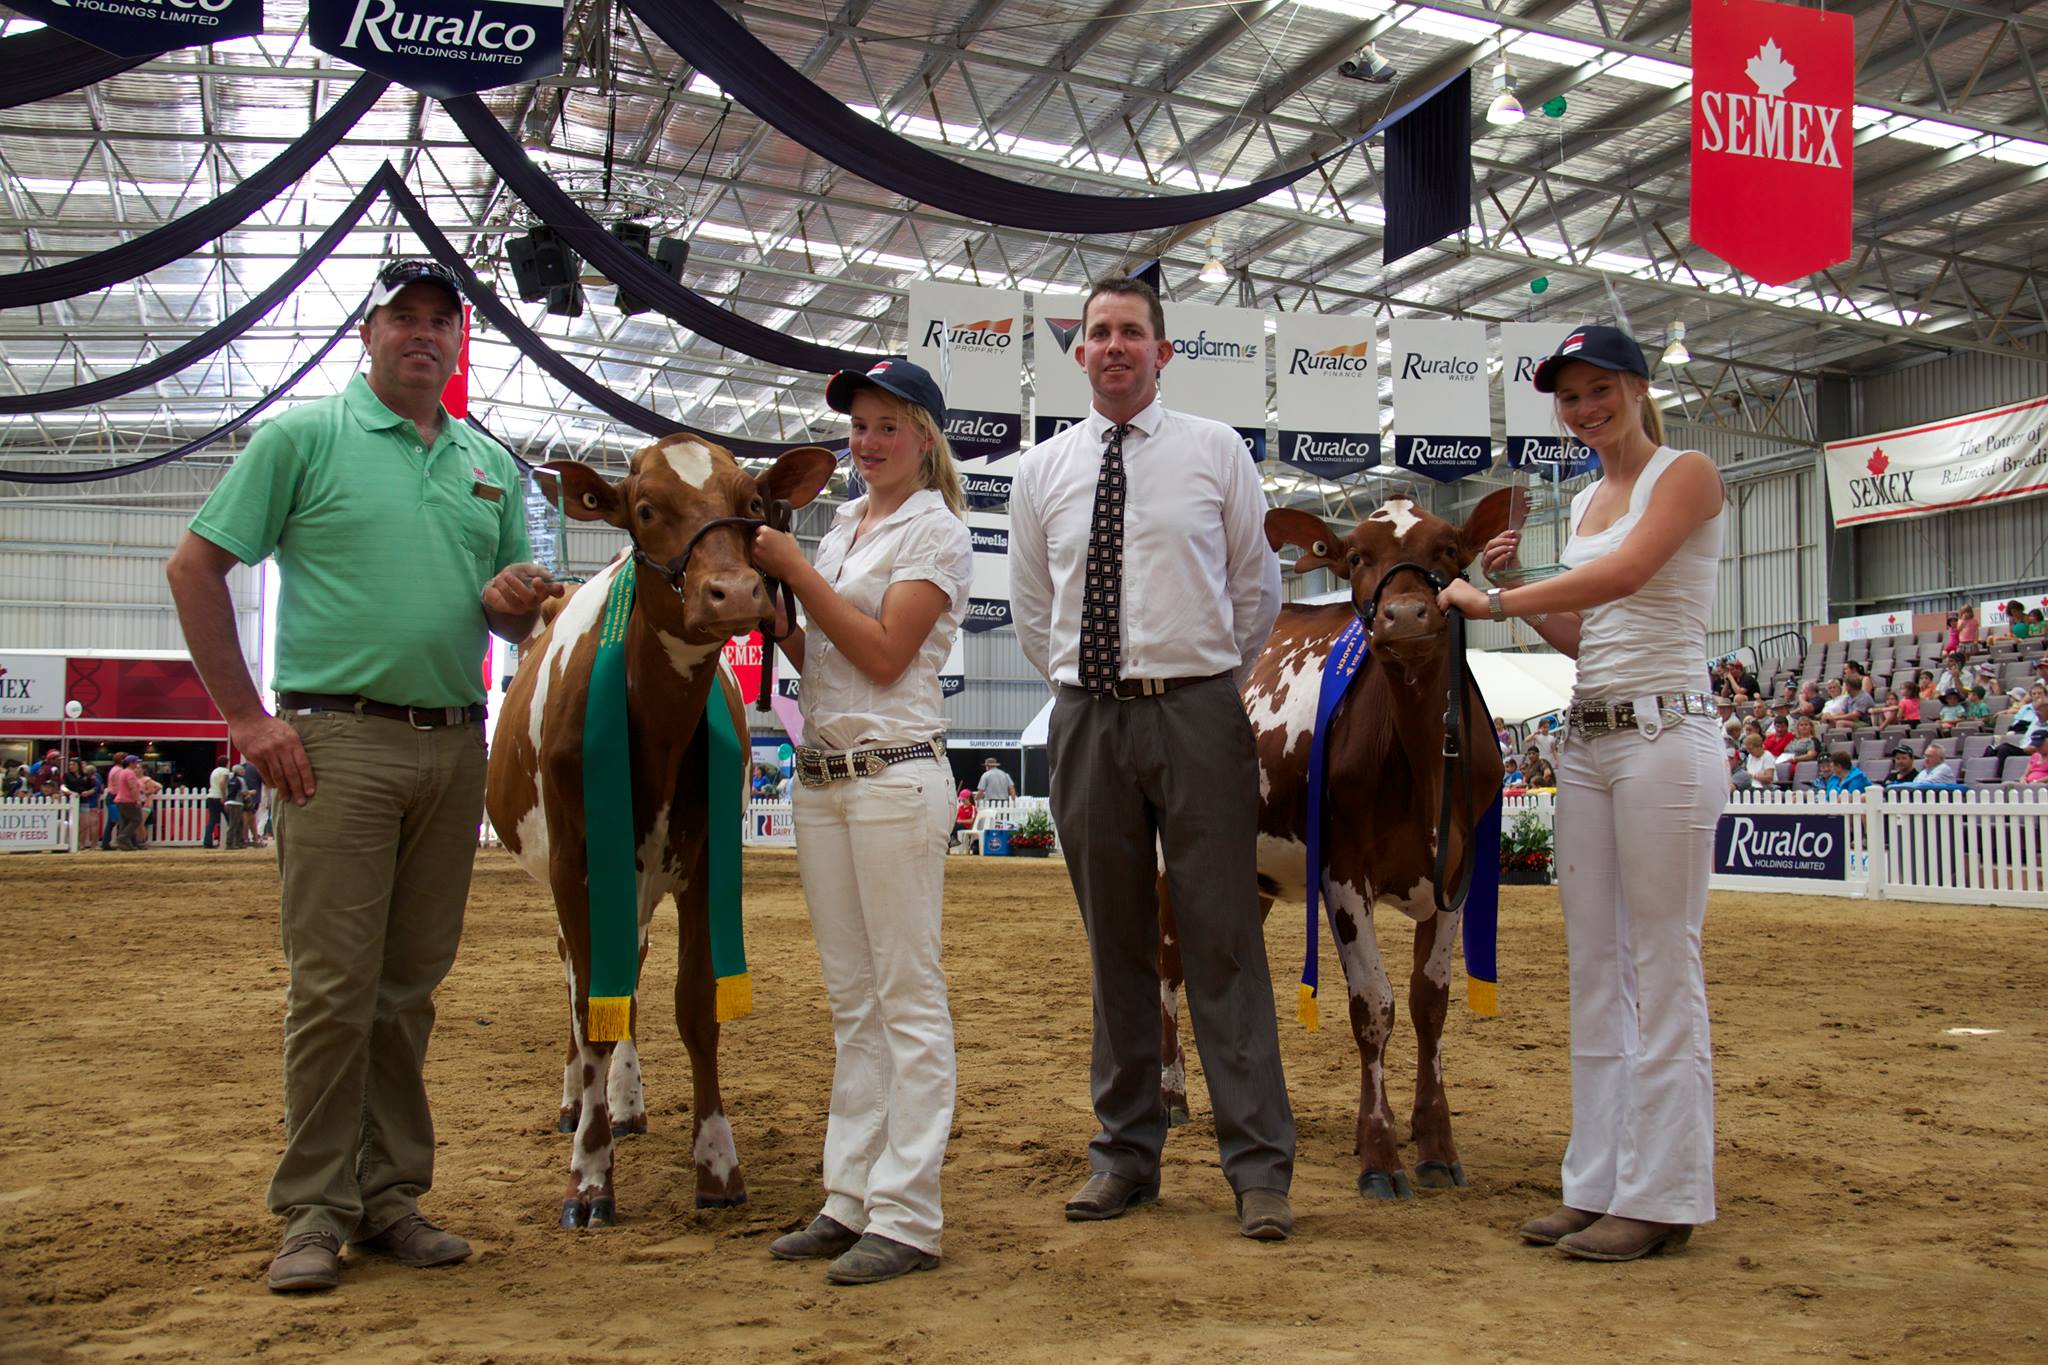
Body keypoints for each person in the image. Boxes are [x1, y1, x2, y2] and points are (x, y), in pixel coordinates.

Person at [165, 257, 559, 1296]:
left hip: (453, 745)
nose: (423, 335)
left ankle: (390, 1198)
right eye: (404, 319)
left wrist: (517, 598)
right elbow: (195, 566)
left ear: (459, 343)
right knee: (335, 988)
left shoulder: (486, 463)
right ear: (367, 336)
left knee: (407, 990)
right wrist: (247, 719)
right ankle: (312, 1209)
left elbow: (510, 616)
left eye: (442, 321)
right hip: (334, 741)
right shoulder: (302, 437)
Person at [1009, 276, 1293, 1243]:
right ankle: (1124, 1155)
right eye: (1099, 333)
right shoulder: (1040, 472)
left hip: (1198, 709)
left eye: (1133, 331)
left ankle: (1259, 1167)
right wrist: (1087, 690)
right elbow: (1034, 606)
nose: (1116, 346)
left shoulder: (1216, 451)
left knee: (1223, 938)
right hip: (1086, 718)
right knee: (1116, 944)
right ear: (1078, 353)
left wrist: (1201, 680)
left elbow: (1257, 588)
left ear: (1163, 353)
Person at [1440, 325, 1722, 1263]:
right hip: (1595, 737)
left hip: (1665, 736)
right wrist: (1524, 583)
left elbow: (1634, 574)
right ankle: (1598, 1178)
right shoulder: (1592, 498)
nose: (1585, 407)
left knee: (1661, 961)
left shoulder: (1685, 473)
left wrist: (1498, 603)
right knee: (1596, 966)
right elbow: (1588, 636)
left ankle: (1667, 1188)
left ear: (1638, 388)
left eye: (1600, 388)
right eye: (1569, 396)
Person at [749, 356, 971, 1285]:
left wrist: (795, 569)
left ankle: (909, 1212)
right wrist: (775, 615)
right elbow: (827, 659)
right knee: (854, 1002)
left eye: (887, 424)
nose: (867, 440)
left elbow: (884, 655)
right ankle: (851, 1195)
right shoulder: (844, 526)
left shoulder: (938, 532)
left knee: (907, 997)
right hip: (827, 775)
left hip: (892, 774)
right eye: (858, 424)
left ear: (924, 435)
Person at [106, 754, 145, 851]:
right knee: (136, 819)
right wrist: (137, 800)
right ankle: (123, 837)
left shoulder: (123, 772)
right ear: (131, 763)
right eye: (136, 762)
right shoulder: (130, 773)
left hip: (120, 800)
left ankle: (125, 844)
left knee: (125, 821)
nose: (137, 764)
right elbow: (133, 787)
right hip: (128, 800)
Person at [205, 759, 234, 849]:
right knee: (230, 819)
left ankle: (207, 842)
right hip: (219, 797)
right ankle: (233, 841)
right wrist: (224, 796)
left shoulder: (214, 771)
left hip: (211, 796)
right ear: (227, 763)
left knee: (212, 820)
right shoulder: (225, 771)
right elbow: (222, 782)